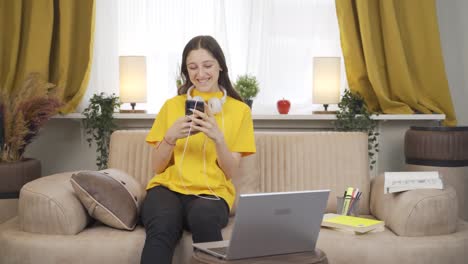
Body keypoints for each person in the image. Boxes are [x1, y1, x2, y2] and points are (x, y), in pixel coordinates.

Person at [140, 35, 256, 264]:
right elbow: (157, 167)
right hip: (167, 189)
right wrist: (171, 137)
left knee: (204, 219)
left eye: (207, 65)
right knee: (163, 225)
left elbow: (231, 171)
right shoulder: (171, 106)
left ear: (220, 66)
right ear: (186, 71)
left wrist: (218, 139)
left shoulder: (240, 111)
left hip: (211, 193)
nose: (200, 74)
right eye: (192, 67)